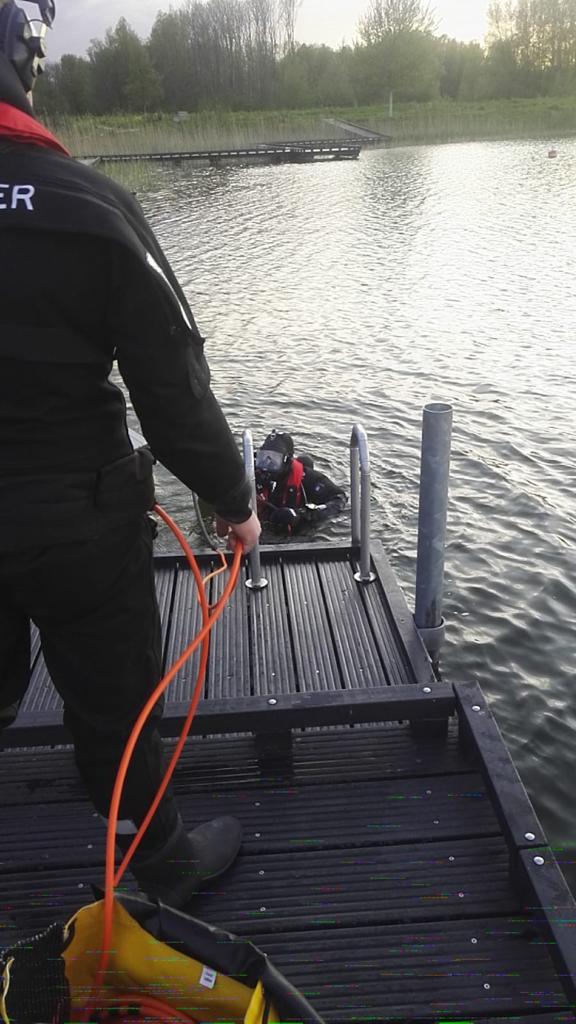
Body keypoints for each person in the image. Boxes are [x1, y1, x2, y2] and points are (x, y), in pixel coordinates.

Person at [0, 0, 261, 909]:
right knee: (116, 711)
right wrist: (234, 501)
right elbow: (173, 389)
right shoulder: (95, 209)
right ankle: (155, 861)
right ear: (26, 65)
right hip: (82, 522)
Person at [255, 431, 347, 532]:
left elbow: (339, 498)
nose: (267, 464)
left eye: (274, 460)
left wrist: (302, 515)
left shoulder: (307, 478)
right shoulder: (254, 475)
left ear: (287, 460)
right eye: (263, 457)